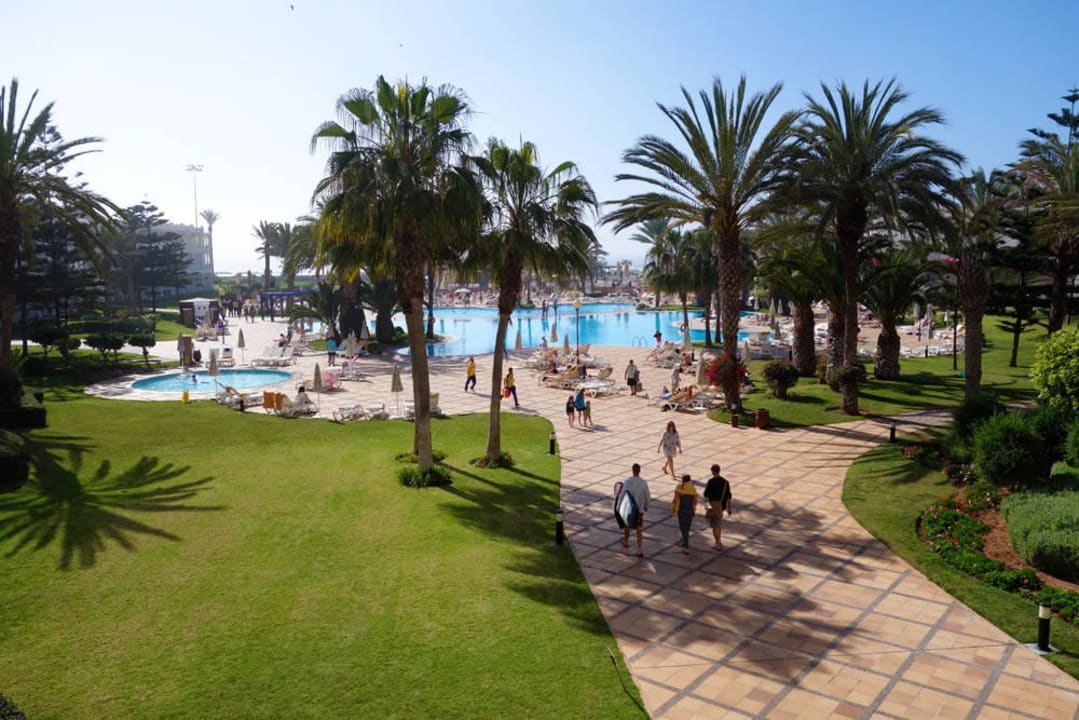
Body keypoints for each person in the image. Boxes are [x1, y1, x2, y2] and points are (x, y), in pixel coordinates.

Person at [620, 463, 651, 558]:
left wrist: (620, 505)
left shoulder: (627, 482)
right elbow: (647, 496)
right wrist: (646, 505)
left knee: (627, 526)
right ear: (639, 471)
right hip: (639, 510)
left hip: (629, 509)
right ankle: (639, 550)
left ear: (632, 470)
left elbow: (623, 494)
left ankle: (626, 541)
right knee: (639, 530)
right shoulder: (643, 483)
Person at [703, 464, 734, 549]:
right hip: (722, 506)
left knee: (715, 525)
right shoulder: (725, 482)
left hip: (713, 505)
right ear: (719, 471)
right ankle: (719, 541)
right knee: (718, 523)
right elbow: (729, 496)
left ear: (712, 471)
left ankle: (717, 543)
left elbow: (705, 494)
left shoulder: (711, 481)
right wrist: (729, 508)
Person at [672, 474, 699, 554]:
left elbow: (675, 500)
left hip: (681, 510)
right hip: (690, 511)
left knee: (682, 527)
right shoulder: (692, 489)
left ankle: (685, 545)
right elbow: (695, 502)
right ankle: (685, 542)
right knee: (687, 528)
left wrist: (673, 507)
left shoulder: (679, 487)